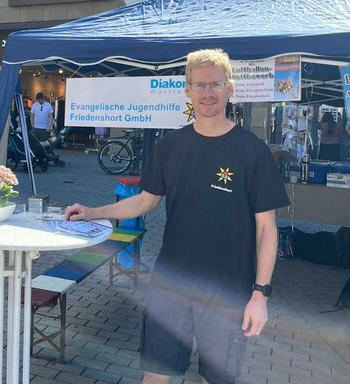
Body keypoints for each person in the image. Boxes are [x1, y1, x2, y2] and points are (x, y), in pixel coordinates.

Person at [65, 49, 289, 384]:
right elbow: (144, 201)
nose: (207, 93)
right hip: (170, 284)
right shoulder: (171, 146)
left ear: (230, 88)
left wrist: (260, 294)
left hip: (228, 289)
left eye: (215, 84)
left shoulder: (252, 151)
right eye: (199, 85)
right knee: (156, 374)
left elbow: (266, 229)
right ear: (187, 90)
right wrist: (93, 212)